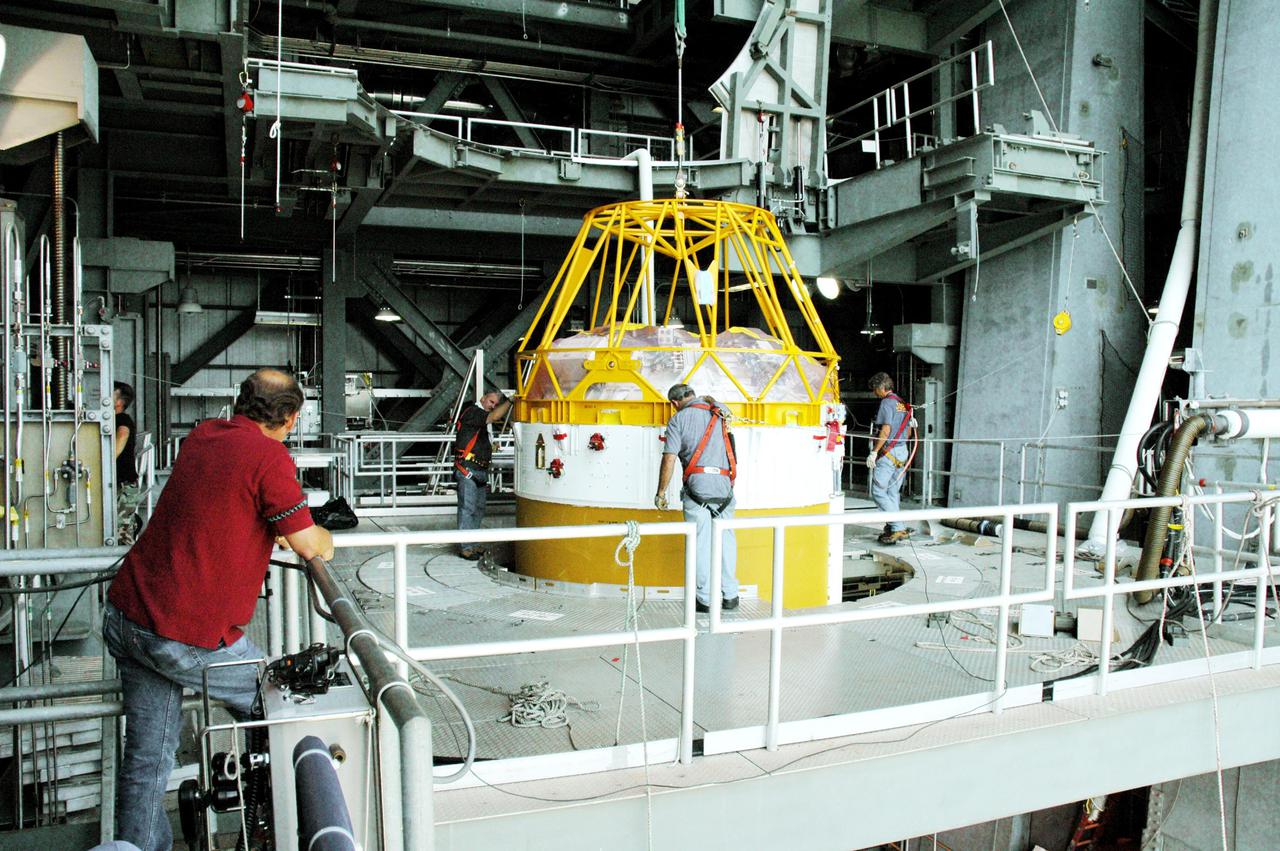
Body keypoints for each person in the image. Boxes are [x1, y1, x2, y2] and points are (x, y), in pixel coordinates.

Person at [103, 368, 334, 851]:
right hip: (183, 634)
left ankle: (138, 845)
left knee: (148, 756)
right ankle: (277, 825)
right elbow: (309, 544)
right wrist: (324, 534)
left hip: (131, 615)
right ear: (292, 418)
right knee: (279, 703)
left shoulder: (205, 433)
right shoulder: (270, 457)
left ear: (240, 402)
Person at [655, 383, 739, 613]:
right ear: (693, 395)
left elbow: (670, 458)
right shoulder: (719, 411)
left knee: (700, 544)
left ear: (674, 404)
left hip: (698, 492)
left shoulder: (677, 420)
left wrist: (661, 492)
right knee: (726, 541)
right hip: (724, 491)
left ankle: (704, 599)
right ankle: (730, 595)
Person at [454, 390, 512, 560]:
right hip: (469, 470)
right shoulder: (473, 413)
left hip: (477, 471)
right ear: (483, 399)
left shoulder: (478, 419)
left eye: (494, 404)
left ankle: (472, 542)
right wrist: (509, 401)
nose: (492, 406)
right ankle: (466, 547)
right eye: (490, 402)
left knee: (477, 509)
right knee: (468, 508)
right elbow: (493, 417)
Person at [866, 371, 912, 545]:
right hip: (902, 451)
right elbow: (907, 430)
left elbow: (885, 430)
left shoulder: (887, 403)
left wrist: (875, 451)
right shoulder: (902, 403)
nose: (874, 393)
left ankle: (897, 526)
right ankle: (893, 527)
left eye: (875, 390)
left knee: (878, 492)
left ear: (881, 387)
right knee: (892, 491)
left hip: (889, 453)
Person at [112, 381, 138, 489]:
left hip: (122, 489)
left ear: (119, 402)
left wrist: (105, 460)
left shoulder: (122, 420)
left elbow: (123, 434)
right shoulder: (115, 419)